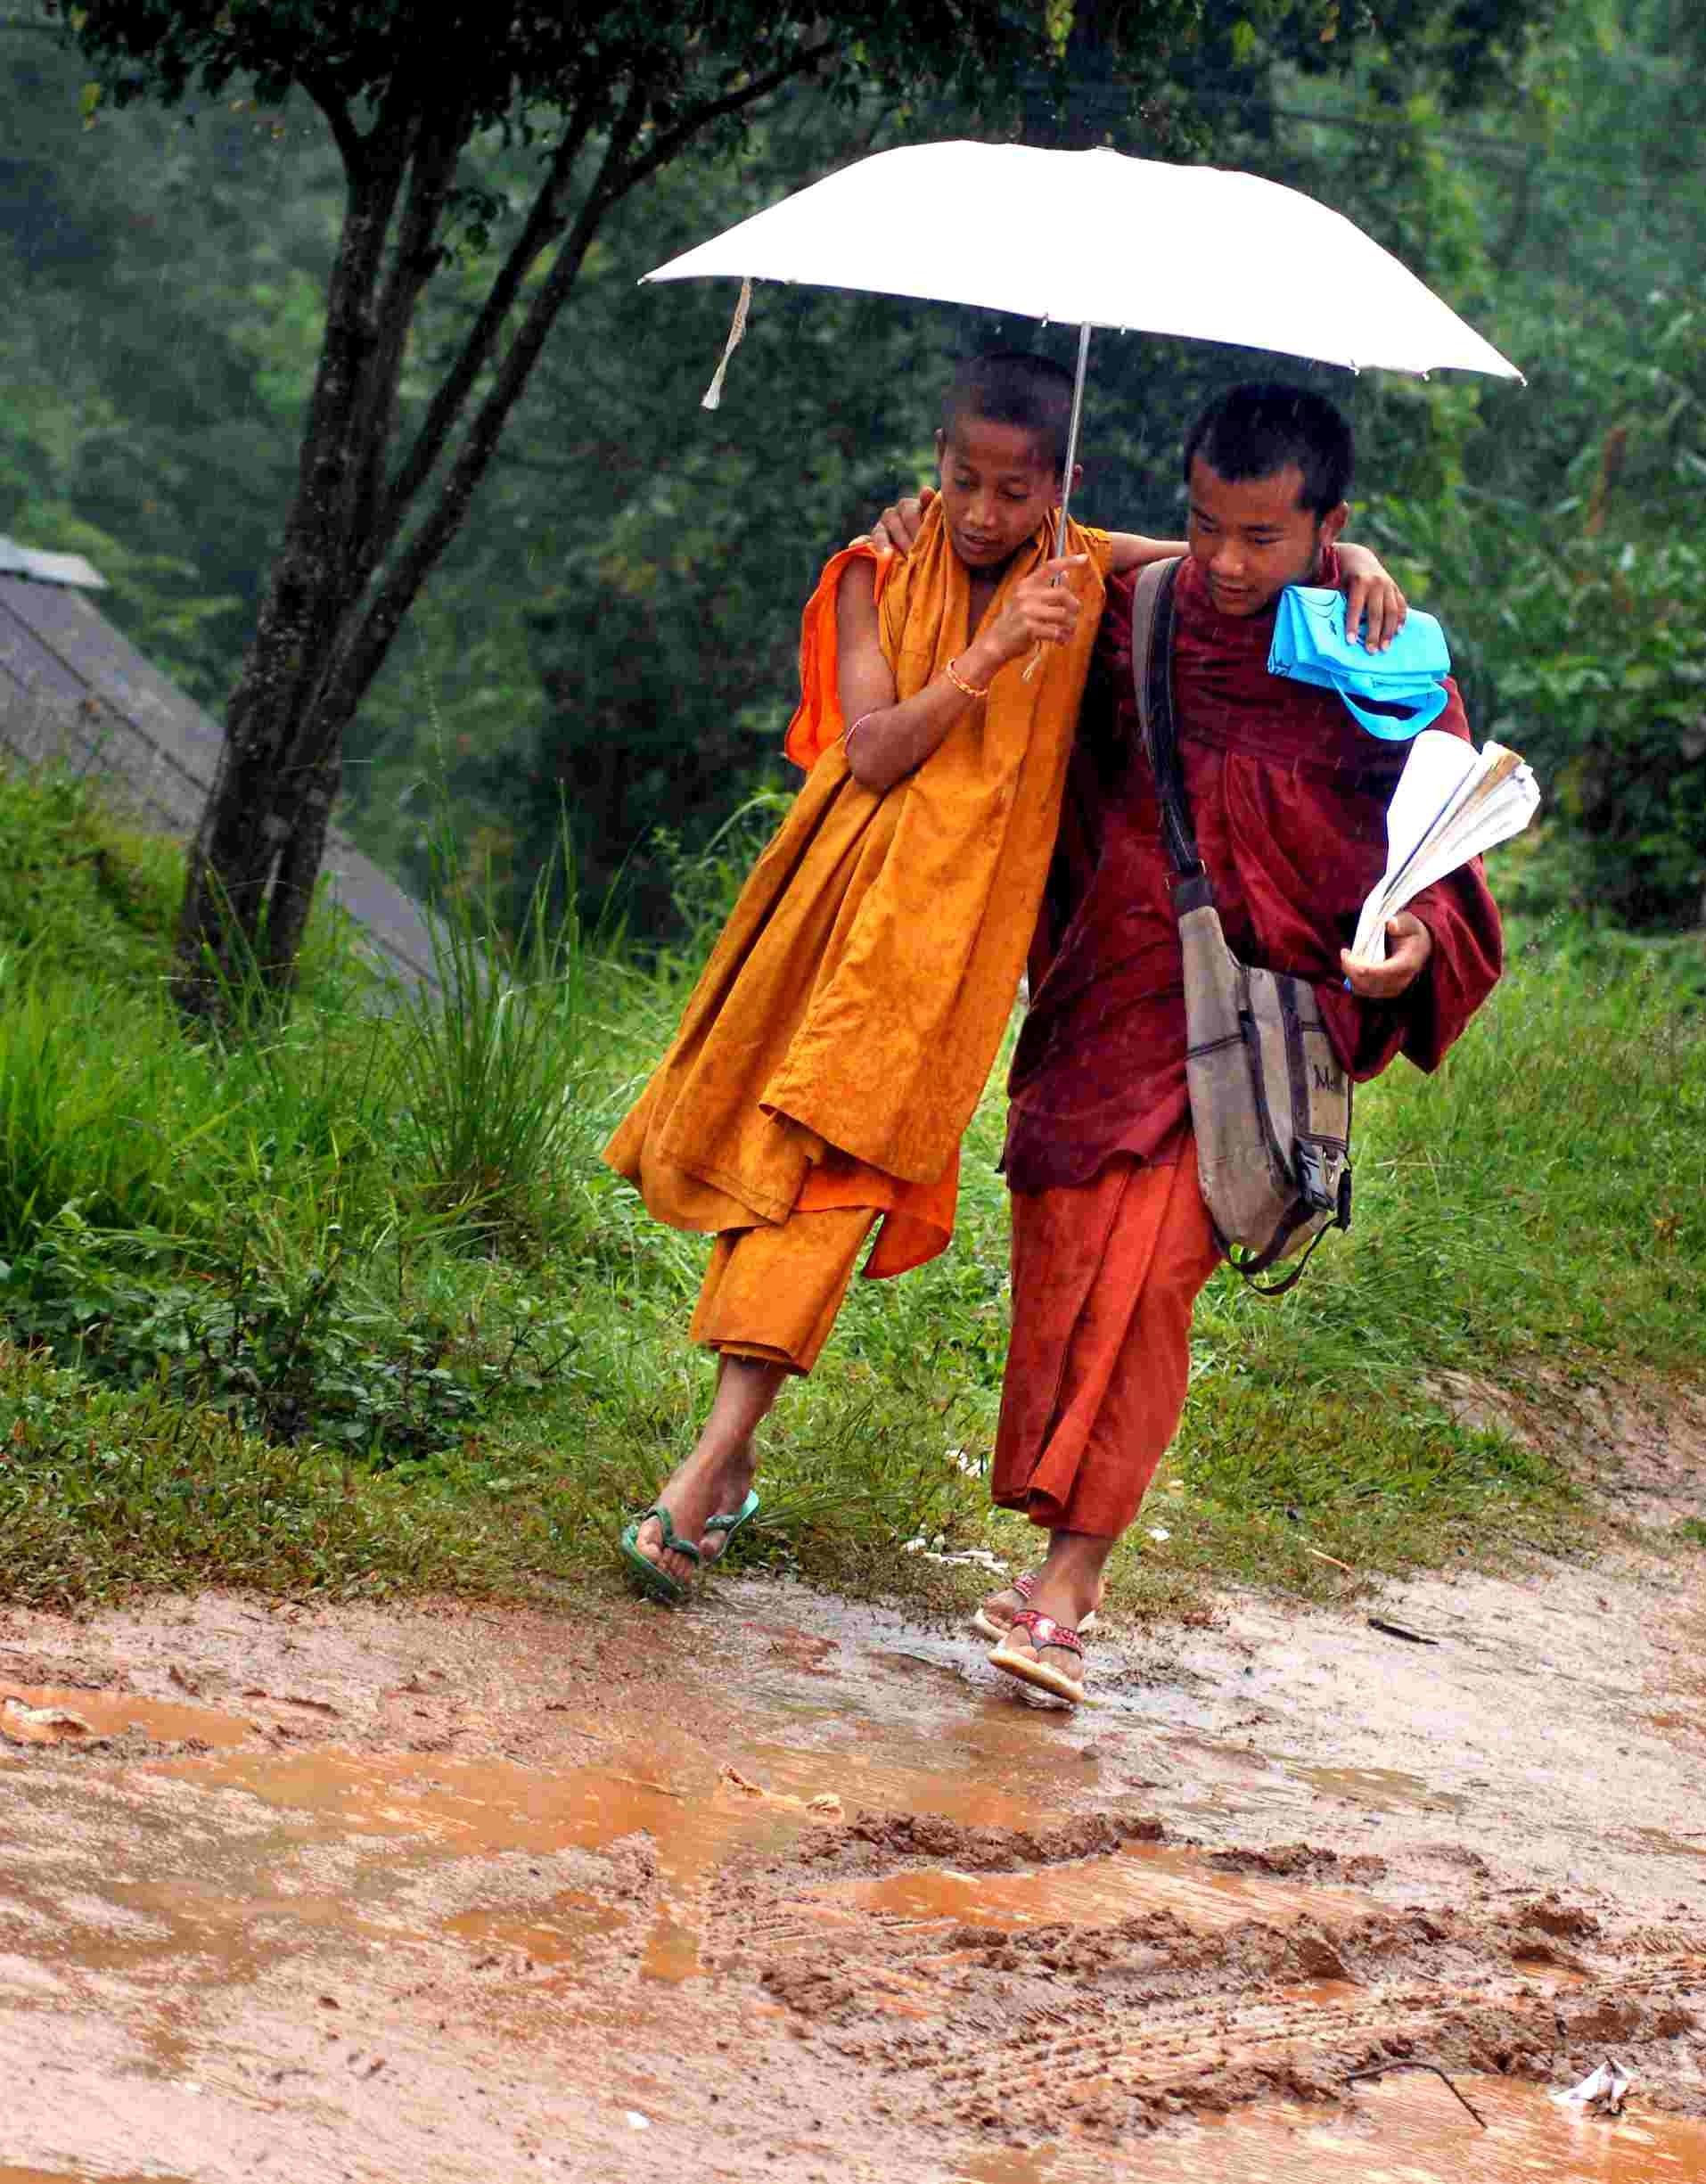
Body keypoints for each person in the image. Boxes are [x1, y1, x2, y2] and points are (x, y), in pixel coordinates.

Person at [606, 351, 1402, 1605]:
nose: (983, 512)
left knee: (832, 1174)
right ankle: (718, 1457)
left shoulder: (1081, 571)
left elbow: (1200, 565)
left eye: (1015, 489)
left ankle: (717, 1461)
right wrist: (987, 654)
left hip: (953, 960)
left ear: (1059, 488)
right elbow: (872, 751)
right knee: (785, 1177)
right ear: (932, 465)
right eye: (962, 479)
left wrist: (1346, 565)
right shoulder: (878, 569)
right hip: (831, 913)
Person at [972, 383, 1505, 1705]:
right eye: (1203, 525)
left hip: (1255, 1015)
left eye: (1261, 538)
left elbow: (1445, 830)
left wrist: (1418, 941)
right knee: (1067, 1251)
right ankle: (1051, 1547)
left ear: (1330, 526)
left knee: (1150, 1276)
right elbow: (1011, 562)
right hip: (1106, 989)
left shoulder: (1382, 657)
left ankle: (1069, 1583)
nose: (1223, 564)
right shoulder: (1138, 612)